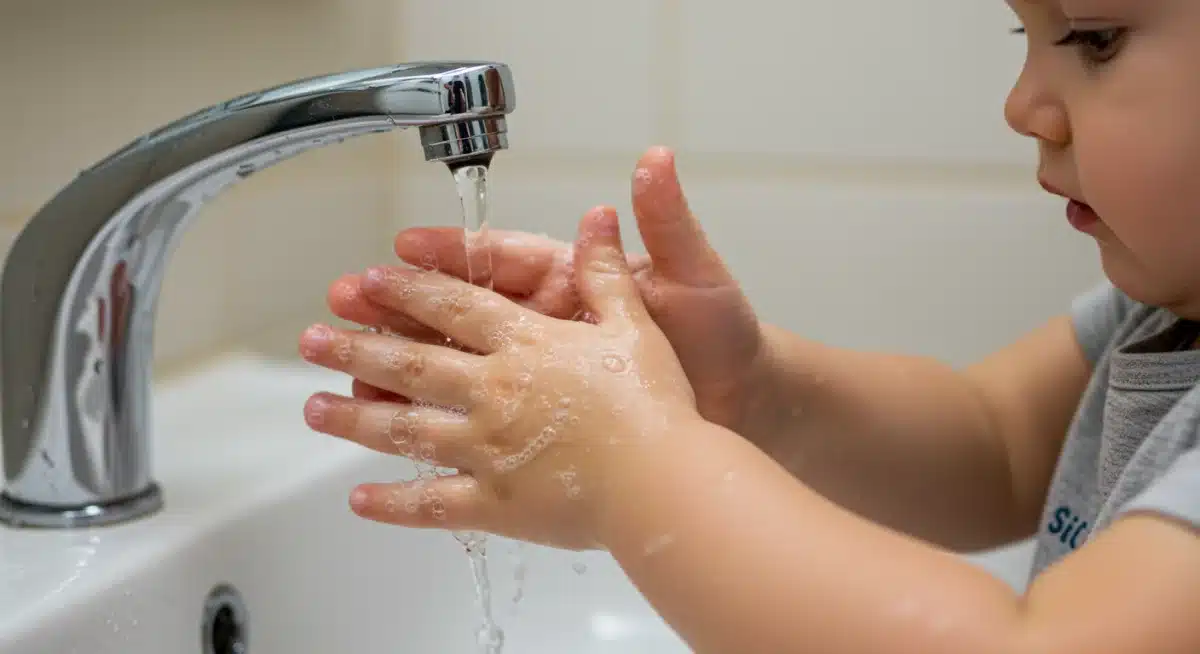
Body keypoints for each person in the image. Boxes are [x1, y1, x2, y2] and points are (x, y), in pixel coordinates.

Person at [298, 1, 1200, 651]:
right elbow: (995, 442)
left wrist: (630, 465)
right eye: (1026, 35)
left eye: (1094, 38)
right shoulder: (1163, 312)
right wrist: (747, 389)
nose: (1022, 106)